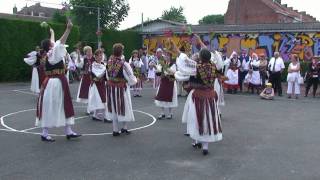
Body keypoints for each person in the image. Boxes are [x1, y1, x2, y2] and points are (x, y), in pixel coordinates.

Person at [36, 19, 81, 142]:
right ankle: (46, 133)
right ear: (50, 46)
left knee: (57, 105)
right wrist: (68, 29)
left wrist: (52, 32)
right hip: (56, 83)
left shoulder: (48, 54)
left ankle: (67, 131)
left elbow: (54, 42)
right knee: (56, 105)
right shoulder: (53, 53)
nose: (53, 43)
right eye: (52, 43)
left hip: (51, 82)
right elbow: (60, 42)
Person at [175, 48, 222, 156]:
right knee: (208, 120)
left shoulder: (197, 68)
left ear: (201, 57)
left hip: (198, 96)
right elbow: (219, 63)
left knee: (196, 118)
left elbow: (184, 66)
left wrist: (178, 53)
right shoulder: (213, 66)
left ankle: (196, 141)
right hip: (210, 95)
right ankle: (205, 146)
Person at [105, 43, 137, 136]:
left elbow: (107, 76)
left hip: (111, 88)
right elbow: (130, 77)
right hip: (121, 88)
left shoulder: (109, 62)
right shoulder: (124, 64)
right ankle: (124, 127)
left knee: (114, 108)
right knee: (124, 107)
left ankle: (115, 130)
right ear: (121, 52)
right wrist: (135, 80)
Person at [88, 49, 111, 122]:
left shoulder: (103, 64)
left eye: (102, 55)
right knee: (103, 100)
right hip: (96, 85)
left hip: (102, 84)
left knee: (101, 100)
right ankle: (107, 117)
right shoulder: (93, 65)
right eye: (99, 55)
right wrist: (104, 72)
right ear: (95, 56)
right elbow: (96, 75)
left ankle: (95, 115)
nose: (101, 57)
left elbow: (107, 75)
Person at [155, 51, 178, 120]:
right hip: (163, 82)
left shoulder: (173, 64)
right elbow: (158, 73)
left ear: (170, 57)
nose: (166, 57)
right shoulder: (162, 64)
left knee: (170, 97)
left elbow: (173, 73)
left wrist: (166, 71)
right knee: (161, 96)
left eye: (167, 56)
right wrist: (156, 68)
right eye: (165, 56)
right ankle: (162, 113)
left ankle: (170, 113)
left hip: (170, 82)